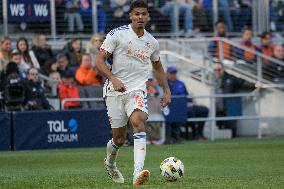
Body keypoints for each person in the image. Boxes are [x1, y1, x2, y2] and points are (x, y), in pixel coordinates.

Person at [95, 0, 171, 186]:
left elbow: (158, 66)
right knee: (119, 139)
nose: (140, 17)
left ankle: (138, 173)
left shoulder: (151, 42)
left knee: (139, 122)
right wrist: (112, 78)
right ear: (131, 16)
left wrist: (166, 89)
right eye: (136, 14)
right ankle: (110, 163)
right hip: (114, 90)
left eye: (143, 14)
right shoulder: (117, 34)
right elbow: (98, 60)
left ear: (147, 16)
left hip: (137, 89)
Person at [212, 62, 264, 137]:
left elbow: (244, 83)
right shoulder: (211, 79)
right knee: (218, 132)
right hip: (217, 109)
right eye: (215, 70)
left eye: (219, 69)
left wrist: (256, 84)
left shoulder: (231, 78)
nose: (217, 72)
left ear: (223, 69)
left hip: (230, 108)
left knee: (231, 131)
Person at [166, 66, 209, 142]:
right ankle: (195, 134)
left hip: (185, 104)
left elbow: (187, 95)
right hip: (175, 107)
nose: (173, 75)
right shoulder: (166, 84)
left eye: (174, 73)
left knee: (204, 110)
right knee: (190, 111)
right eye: (171, 73)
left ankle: (200, 133)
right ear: (167, 74)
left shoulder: (181, 83)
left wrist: (189, 102)